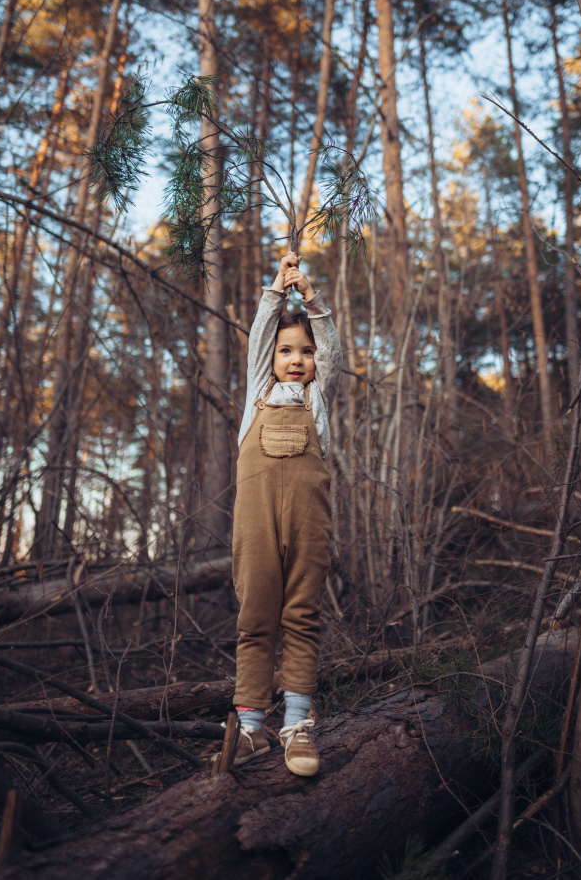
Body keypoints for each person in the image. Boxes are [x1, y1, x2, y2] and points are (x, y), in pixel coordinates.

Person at [230, 250, 342, 776]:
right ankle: (250, 727)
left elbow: (332, 345)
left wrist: (312, 297)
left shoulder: (317, 398)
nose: (296, 359)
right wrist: (278, 289)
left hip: (306, 517)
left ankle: (297, 724)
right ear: (271, 357)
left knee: (300, 613)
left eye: (306, 352)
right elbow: (258, 336)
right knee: (255, 616)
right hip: (256, 518)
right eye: (286, 350)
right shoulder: (258, 390)